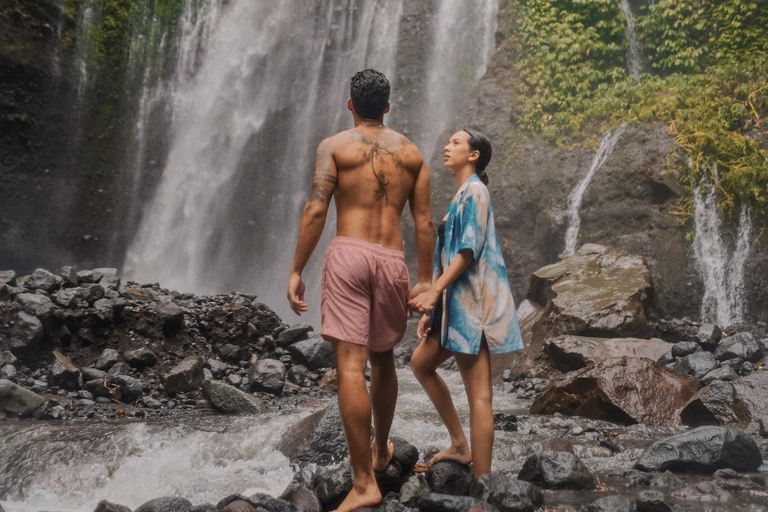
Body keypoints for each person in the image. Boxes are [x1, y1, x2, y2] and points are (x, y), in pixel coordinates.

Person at [287, 69, 434, 512]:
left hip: (349, 254)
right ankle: (383, 446)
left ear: (350, 104)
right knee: (383, 357)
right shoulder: (412, 154)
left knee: (350, 368)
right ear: (388, 106)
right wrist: (425, 280)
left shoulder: (333, 147)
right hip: (391, 259)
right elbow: (424, 222)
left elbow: (316, 208)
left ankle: (364, 481)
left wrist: (296, 269)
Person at [408, 128, 523, 478]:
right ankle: (460, 445)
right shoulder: (462, 193)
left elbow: (467, 252)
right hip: (455, 310)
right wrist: (436, 311)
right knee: (420, 363)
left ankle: (482, 484)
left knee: (480, 396)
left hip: (473, 309)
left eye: (456, 142)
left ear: (474, 155)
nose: (447, 146)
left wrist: (433, 291)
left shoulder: (475, 191)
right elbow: (449, 257)